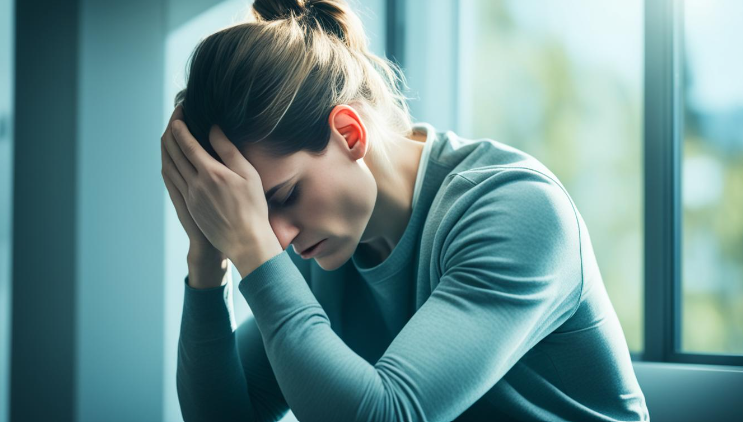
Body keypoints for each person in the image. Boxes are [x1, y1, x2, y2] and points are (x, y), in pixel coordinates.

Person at [160, 0, 650, 421]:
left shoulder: (516, 210)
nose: (278, 238)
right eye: (254, 213)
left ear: (349, 134)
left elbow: (387, 414)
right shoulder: (320, 244)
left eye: (284, 196)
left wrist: (254, 251)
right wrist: (207, 253)